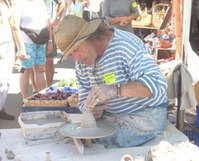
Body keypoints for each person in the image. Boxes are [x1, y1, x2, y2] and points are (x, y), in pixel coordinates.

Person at [53, 15, 168, 147]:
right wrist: (91, 110)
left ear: (90, 36)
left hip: (144, 114)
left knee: (100, 145)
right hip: (110, 117)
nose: (75, 58)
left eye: (76, 49)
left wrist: (114, 90)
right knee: (71, 141)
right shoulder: (81, 63)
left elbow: (157, 84)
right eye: (70, 54)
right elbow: (84, 98)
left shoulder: (125, 46)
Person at [17, 0, 52, 99]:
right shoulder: (20, 3)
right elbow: (15, 26)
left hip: (41, 40)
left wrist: (50, 40)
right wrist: (21, 47)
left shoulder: (40, 2)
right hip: (26, 41)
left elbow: (47, 22)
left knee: (40, 69)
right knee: (26, 70)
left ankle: (42, 97)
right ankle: (25, 99)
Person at [0, 0, 26, 119]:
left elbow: (14, 26)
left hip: (8, 43)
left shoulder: (8, 3)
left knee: (5, 81)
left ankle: (0, 108)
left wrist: (20, 48)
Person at [44, 0, 65, 87]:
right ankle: (35, 89)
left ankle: (48, 87)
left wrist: (57, 19)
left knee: (49, 60)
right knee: (34, 64)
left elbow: (62, 2)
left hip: (49, 28)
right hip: (31, 29)